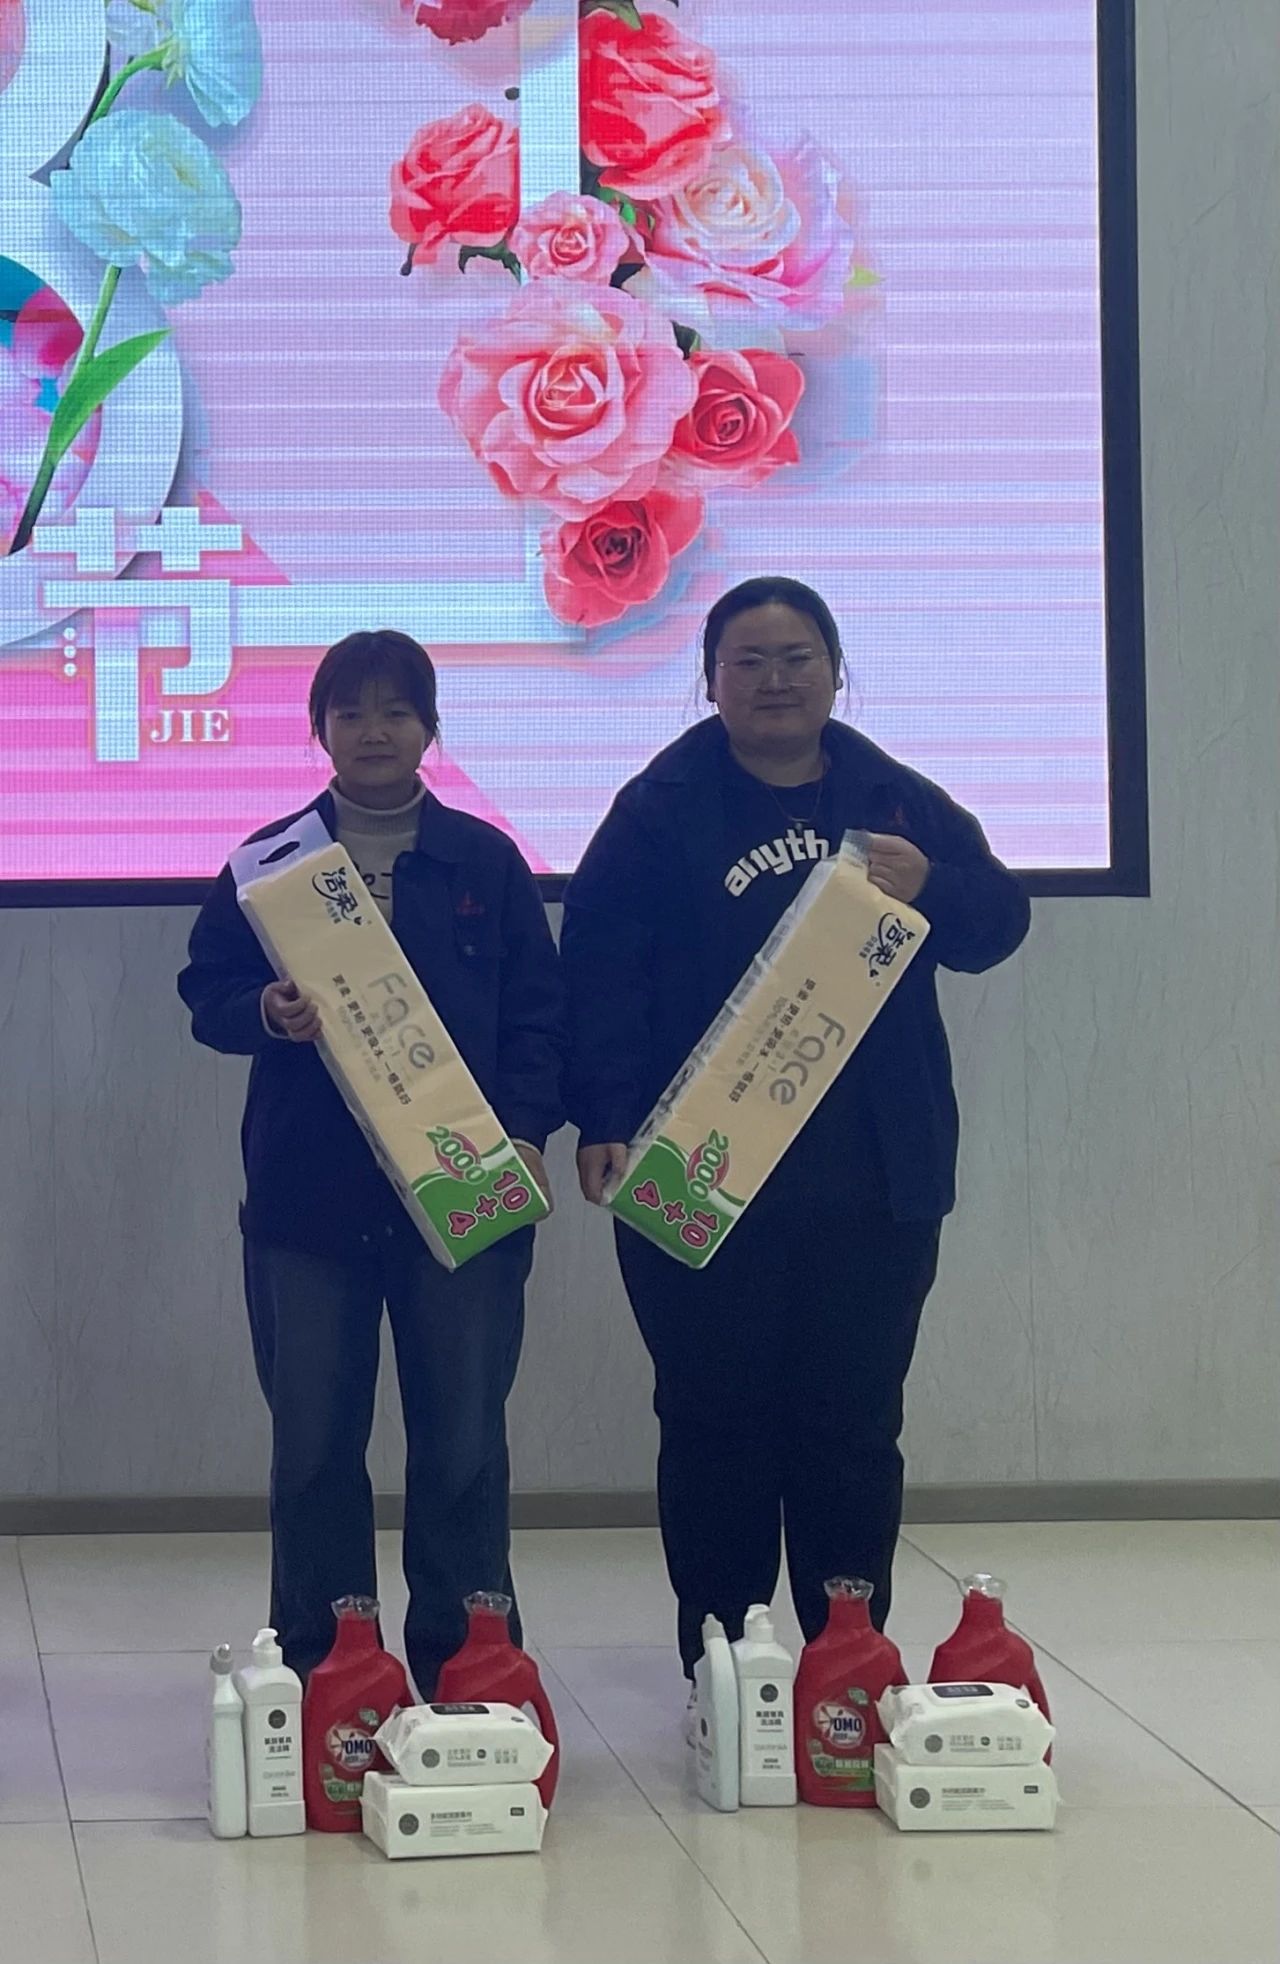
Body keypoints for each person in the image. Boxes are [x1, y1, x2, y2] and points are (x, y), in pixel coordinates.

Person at [562, 577, 1030, 1686]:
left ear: (835, 669)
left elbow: (997, 922)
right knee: (712, 1420)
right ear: (709, 680)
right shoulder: (659, 807)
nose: (774, 680)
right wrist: (604, 1118)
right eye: (748, 661)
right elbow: (598, 972)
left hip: (873, 1180)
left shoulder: (893, 799)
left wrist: (934, 887)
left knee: (852, 1423)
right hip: (696, 1171)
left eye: (796, 657)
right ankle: (725, 1666)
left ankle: (843, 1662)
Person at [178, 629, 564, 1695]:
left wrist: (527, 1134)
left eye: (397, 710)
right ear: (321, 729)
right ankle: (324, 1667)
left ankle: (466, 1664)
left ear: (429, 728)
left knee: (463, 1445)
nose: (374, 730)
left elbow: (540, 1017)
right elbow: (205, 991)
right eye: (351, 711)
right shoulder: (271, 863)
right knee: (312, 1447)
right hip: (308, 1203)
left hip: (467, 1190)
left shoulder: (485, 860)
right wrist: (264, 1009)